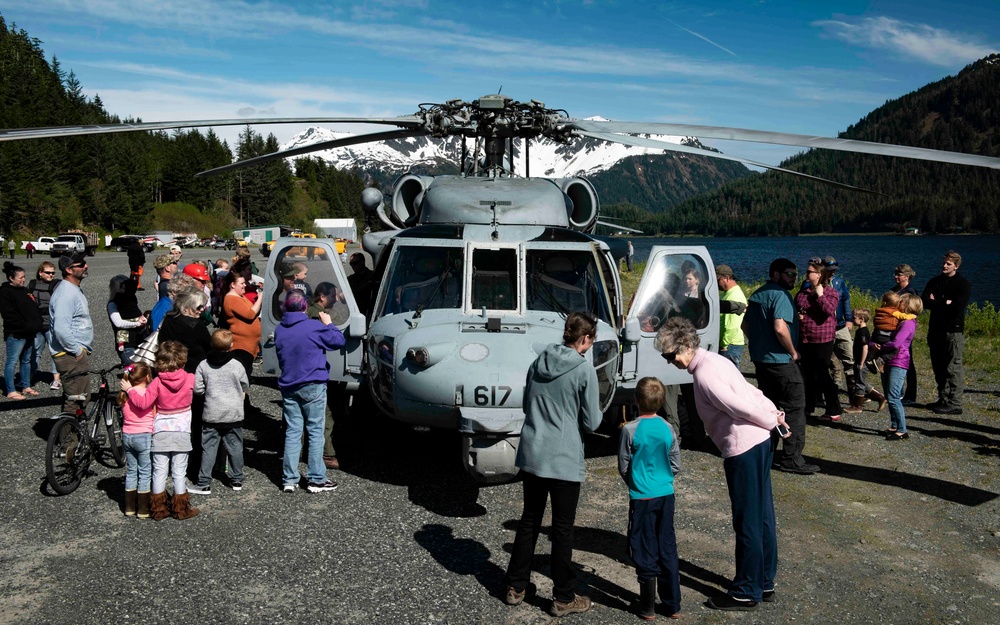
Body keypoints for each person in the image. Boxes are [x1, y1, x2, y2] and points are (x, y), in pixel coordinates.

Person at [657, 317, 789, 611]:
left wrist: (770, 418)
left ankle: (745, 591)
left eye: (671, 355)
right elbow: (750, 392)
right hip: (760, 443)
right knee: (762, 514)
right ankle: (763, 581)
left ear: (688, 345)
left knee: (747, 520)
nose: (670, 361)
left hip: (744, 448)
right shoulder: (717, 360)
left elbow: (739, 404)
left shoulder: (704, 374)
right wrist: (773, 415)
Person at [504, 312, 602, 617]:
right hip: (563, 456)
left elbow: (526, 403)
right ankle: (562, 596)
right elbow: (593, 420)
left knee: (530, 520)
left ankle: (516, 586)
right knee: (562, 528)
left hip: (533, 451)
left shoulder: (538, 362)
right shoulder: (583, 371)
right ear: (585, 339)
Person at [742, 258, 818, 475]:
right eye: (788, 274)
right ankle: (792, 459)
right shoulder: (780, 295)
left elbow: (745, 324)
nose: (793, 278)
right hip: (782, 362)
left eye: (795, 274)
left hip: (762, 362)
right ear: (775, 274)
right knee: (794, 409)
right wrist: (793, 351)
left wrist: (759, 344)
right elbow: (780, 327)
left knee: (772, 408)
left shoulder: (758, 294)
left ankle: (768, 452)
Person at [618, 377, 681, 620]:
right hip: (665, 494)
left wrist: (634, 482)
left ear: (636, 400)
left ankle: (647, 606)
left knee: (644, 546)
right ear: (663, 401)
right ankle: (672, 604)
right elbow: (676, 464)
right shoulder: (668, 428)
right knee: (666, 544)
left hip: (641, 496)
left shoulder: (629, 430)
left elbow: (623, 465)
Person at [275, 290, 345, 493]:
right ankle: (316, 478)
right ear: (305, 307)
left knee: (293, 432)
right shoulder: (314, 327)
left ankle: (289, 478)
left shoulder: (280, 329)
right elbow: (338, 341)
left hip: (289, 385)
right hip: (313, 383)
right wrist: (329, 323)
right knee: (315, 432)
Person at [121, 340, 200, 521]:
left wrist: (130, 390)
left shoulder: (156, 382)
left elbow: (143, 403)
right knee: (180, 471)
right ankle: (181, 510)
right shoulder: (190, 378)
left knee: (159, 471)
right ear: (182, 360)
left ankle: (158, 509)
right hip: (182, 431)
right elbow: (201, 390)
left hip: (160, 432)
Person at [189, 329, 249, 495]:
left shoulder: (204, 364)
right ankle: (236, 479)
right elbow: (245, 384)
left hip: (212, 413)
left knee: (208, 448)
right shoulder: (237, 365)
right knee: (236, 447)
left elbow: (198, 389)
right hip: (233, 413)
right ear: (231, 345)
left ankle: (204, 482)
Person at [921, 251, 970, 415]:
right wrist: (943, 303)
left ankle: (954, 402)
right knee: (938, 365)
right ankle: (943, 398)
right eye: (944, 263)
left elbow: (956, 307)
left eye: (948, 264)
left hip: (952, 331)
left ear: (956, 266)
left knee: (953, 366)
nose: (944, 266)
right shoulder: (935, 281)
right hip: (935, 329)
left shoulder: (962, 284)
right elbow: (924, 301)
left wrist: (936, 302)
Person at [869, 294, 923, 440]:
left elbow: (896, 343)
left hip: (899, 360)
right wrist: (874, 343)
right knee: (888, 394)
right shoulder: (899, 320)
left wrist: (879, 348)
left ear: (908, 304)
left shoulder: (908, 323)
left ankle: (902, 430)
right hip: (888, 360)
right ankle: (894, 425)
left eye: (901, 302)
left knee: (893, 396)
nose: (898, 304)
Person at [795, 257, 841, 422]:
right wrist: (798, 315)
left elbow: (829, 310)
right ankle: (808, 407)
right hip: (805, 338)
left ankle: (834, 409)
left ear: (819, 275)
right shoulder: (803, 292)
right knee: (807, 374)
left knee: (822, 373)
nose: (806, 274)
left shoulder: (831, 293)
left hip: (822, 339)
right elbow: (797, 307)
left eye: (810, 272)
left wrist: (820, 295)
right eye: (806, 271)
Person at [48, 252, 93, 415]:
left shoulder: (73, 289)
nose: (85, 266)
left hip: (72, 353)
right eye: (81, 265)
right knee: (75, 399)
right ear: (68, 270)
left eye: (85, 263)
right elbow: (61, 328)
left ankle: (75, 434)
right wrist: (77, 351)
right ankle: (68, 440)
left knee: (80, 397)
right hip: (69, 354)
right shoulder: (66, 294)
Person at [1, 261, 43, 399]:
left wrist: (36, 324)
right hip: (16, 334)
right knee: (12, 361)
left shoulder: (25, 291)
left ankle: (26, 386)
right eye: (20, 277)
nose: (24, 279)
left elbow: (34, 308)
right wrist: (25, 326)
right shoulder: (5, 292)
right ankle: (11, 390)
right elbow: (9, 315)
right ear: (11, 278)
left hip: (29, 332)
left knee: (26, 360)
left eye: (24, 277)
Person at [118, 362, 155, 518]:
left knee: (132, 471)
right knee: (145, 472)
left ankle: (129, 507)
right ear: (147, 377)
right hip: (144, 435)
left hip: (127, 435)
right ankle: (143, 509)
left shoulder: (124, 395)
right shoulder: (147, 394)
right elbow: (153, 414)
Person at [821, 256, 855, 395]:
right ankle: (831, 386)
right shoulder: (816, 284)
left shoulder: (839, 282)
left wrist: (849, 319)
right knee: (827, 359)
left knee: (850, 357)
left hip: (840, 326)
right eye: (829, 270)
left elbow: (846, 300)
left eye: (834, 270)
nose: (832, 273)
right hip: (824, 327)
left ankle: (854, 392)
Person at [221, 271, 263, 378]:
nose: (245, 285)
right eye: (242, 283)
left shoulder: (240, 296)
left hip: (248, 344)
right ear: (233, 285)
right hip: (241, 345)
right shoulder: (232, 299)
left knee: (246, 372)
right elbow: (250, 314)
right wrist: (260, 297)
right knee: (241, 374)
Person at [844, 309, 886, 414]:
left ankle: (857, 406)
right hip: (858, 360)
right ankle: (880, 397)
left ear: (862, 319)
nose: (852, 320)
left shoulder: (863, 332)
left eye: (854, 318)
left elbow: (865, 348)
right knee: (859, 380)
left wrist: (862, 362)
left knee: (859, 383)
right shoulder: (860, 331)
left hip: (861, 361)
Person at [28, 261, 61, 390]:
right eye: (48, 272)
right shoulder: (32, 284)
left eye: (53, 273)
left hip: (52, 324)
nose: (51, 275)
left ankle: (56, 380)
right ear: (40, 273)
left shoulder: (56, 285)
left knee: (55, 352)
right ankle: (28, 378)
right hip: (37, 324)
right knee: (35, 352)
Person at [867, 292, 916, 374]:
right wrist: (912, 316)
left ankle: (870, 359)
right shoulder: (893, 312)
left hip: (877, 333)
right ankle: (882, 360)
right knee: (894, 350)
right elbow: (904, 316)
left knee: (877, 346)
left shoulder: (879, 311)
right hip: (886, 335)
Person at [890, 264, 919, 403]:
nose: (896, 277)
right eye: (895, 274)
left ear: (906, 277)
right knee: (893, 359)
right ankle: (897, 391)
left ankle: (911, 394)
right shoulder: (894, 290)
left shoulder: (911, 292)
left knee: (907, 361)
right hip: (893, 328)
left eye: (898, 275)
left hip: (904, 329)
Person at [107, 276, 148, 366]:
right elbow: (118, 323)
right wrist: (137, 323)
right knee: (136, 371)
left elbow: (138, 314)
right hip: (126, 345)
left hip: (138, 341)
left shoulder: (131, 301)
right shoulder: (113, 304)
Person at [716, 264, 747, 368]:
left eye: (718, 280)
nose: (717, 283)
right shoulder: (727, 293)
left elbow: (731, 325)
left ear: (727, 278)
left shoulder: (734, 296)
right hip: (729, 343)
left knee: (727, 379)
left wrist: (724, 345)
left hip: (730, 345)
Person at [347, 252, 375, 318]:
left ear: (362, 262)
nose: (353, 266)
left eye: (355, 263)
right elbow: (342, 297)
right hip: (356, 314)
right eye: (351, 264)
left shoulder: (373, 276)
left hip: (370, 313)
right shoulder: (350, 279)